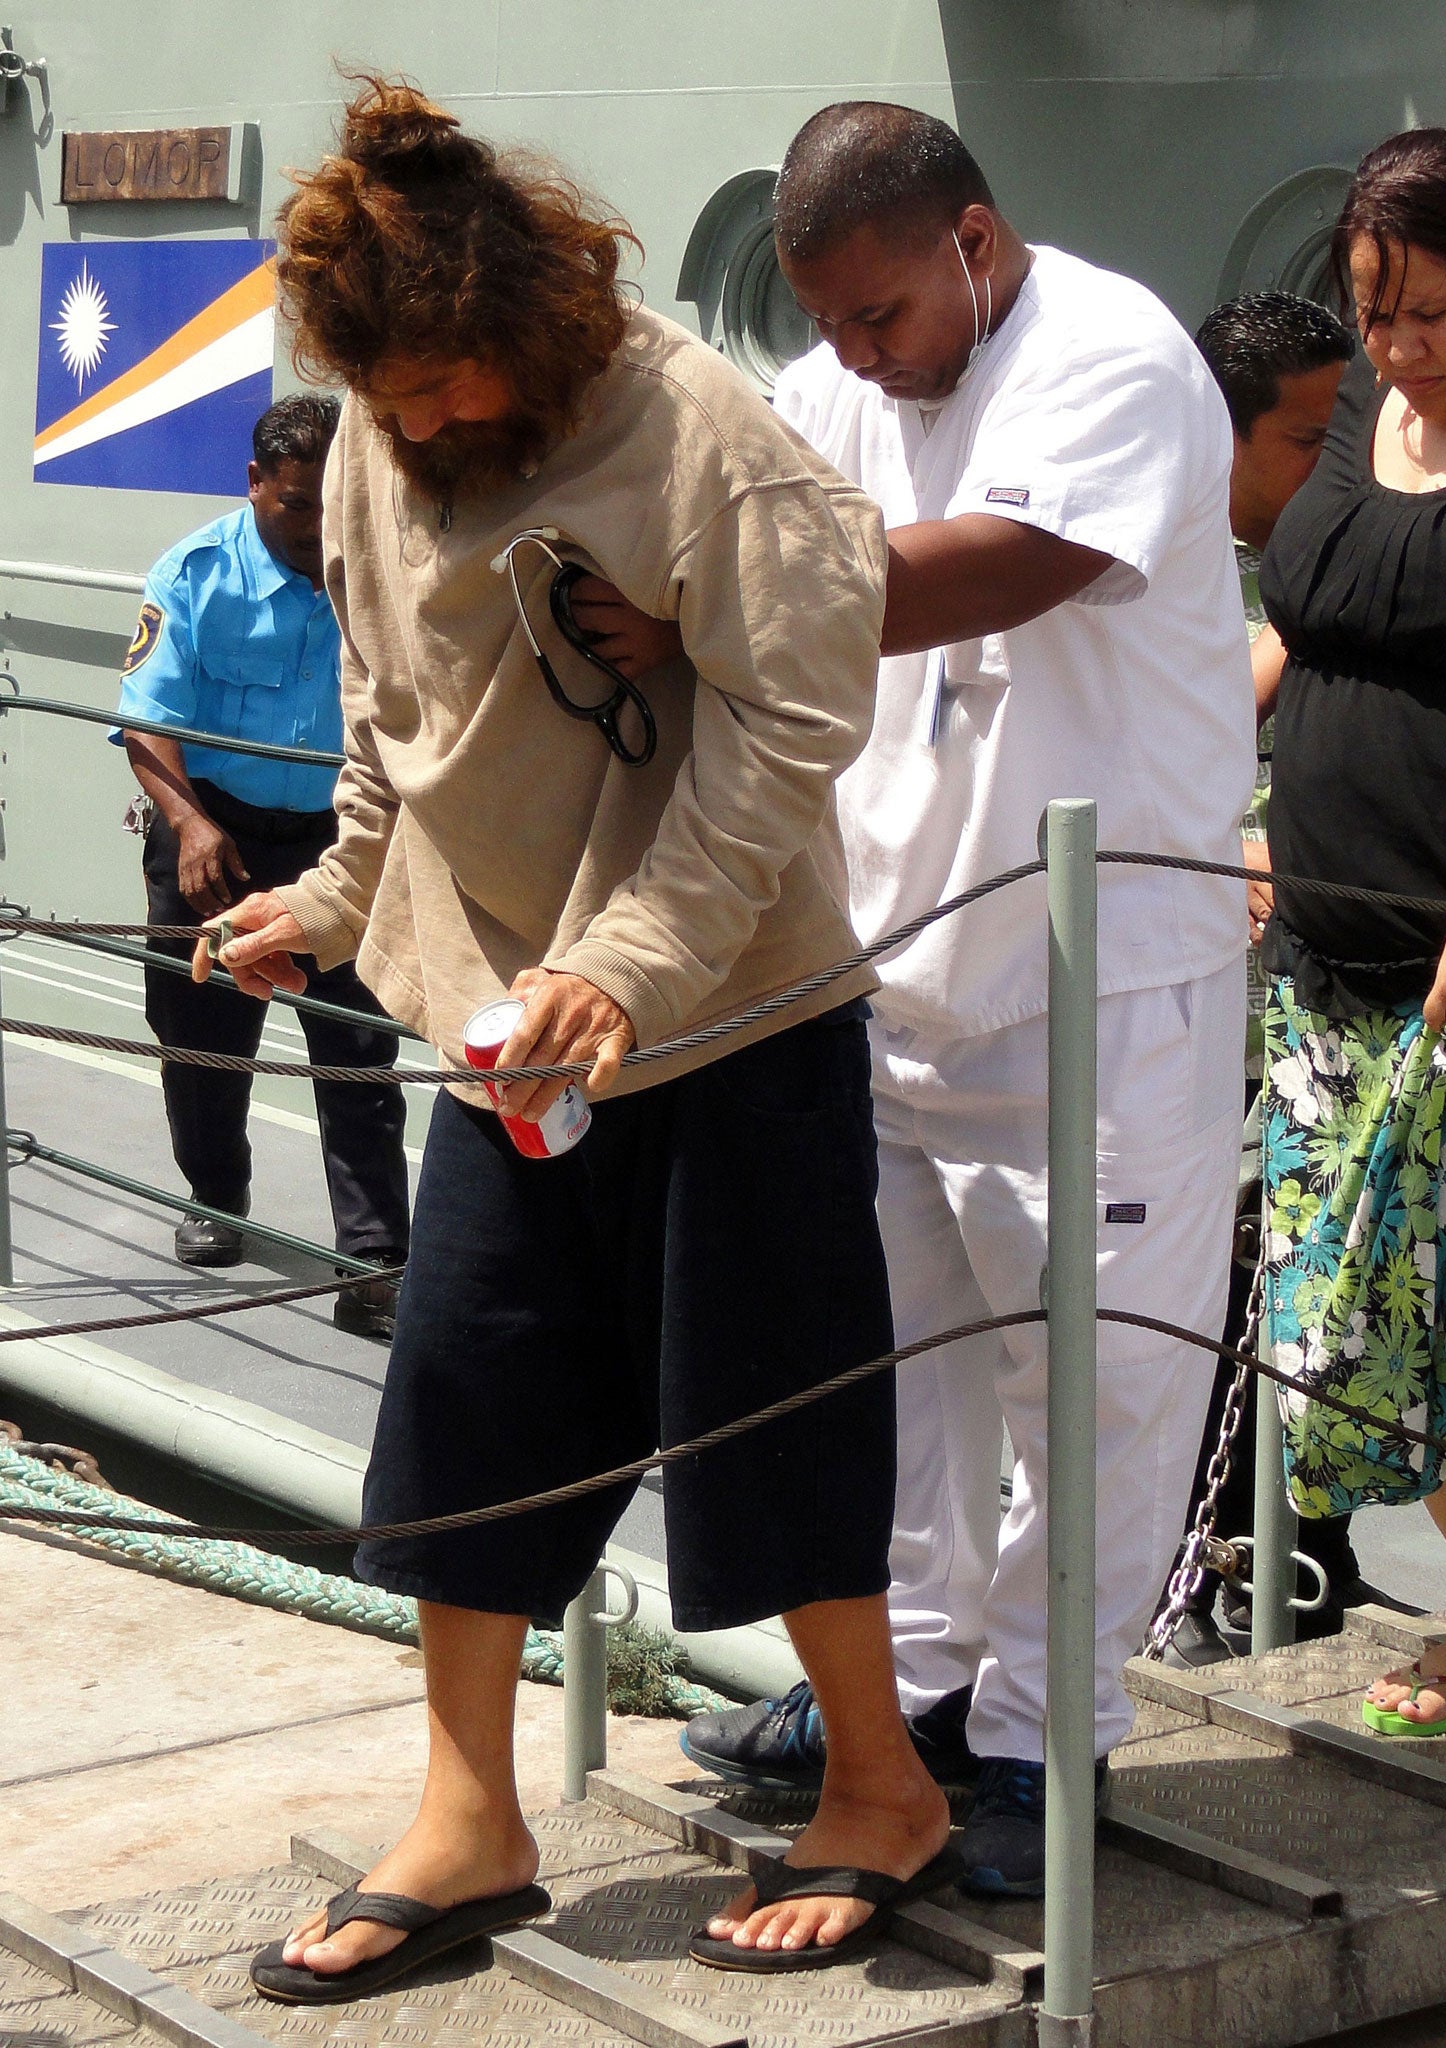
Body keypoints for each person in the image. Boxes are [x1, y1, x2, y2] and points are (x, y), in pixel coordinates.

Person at [209, 78, 956, 1998]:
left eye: (456, 386)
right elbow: (396, 712)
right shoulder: (391, 427)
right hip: (503, 1030)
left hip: (729, 1012)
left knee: (767, 1399)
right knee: (468, 1398)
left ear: (536, 324)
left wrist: (629, 956)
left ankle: (877, 1783)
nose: (433, 425)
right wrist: (336, 901)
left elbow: (797, 726)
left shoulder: (706, 433)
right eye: (397, 400)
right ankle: (471, 1812)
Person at [664, 103, 1255, 1894]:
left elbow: (1010, 562)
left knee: (1092, 1386)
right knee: (906, 1378)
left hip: (1098, 984)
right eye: (826, 322)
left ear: (973, 245)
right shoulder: (848, 389)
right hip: (895, 968)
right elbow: (773, 534)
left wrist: (713, 603)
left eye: (882, 313)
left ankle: (1040, 1741)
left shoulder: (1112, 349)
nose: (853, 355)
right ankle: (905, 1700)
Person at [1255, 127, 1446, 1738]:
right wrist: (1195, 793)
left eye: (1429, 311)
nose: (1395, 347)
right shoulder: (1372, 419)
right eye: (1371, 313)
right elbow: (1308, 623)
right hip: (1337, 973)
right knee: (1380, 1306)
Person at [1157, 291, 1361, 1665]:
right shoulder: (1157, 568)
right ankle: (1226, 1568)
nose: (1332, 466)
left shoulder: (1322, 553)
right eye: (1306, 439)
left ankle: (1292, 1568)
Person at [116, 395, 410, 1338]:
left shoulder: (381, 571)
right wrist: (187, 822)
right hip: (216, 831)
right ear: (254, 485)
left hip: (342, 837)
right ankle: (216, 1196)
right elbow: (146, 720)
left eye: (332, 506)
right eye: (295, 506)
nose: (317, 528)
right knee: (200, 1031)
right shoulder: (195, 574)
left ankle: (371, 1262)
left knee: (358, 1043)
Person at [1196, 292, 1354, 552]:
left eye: (1348, 432)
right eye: (1308, 440)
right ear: (1223, 429)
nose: (1339, 456)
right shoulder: (1169, 566)